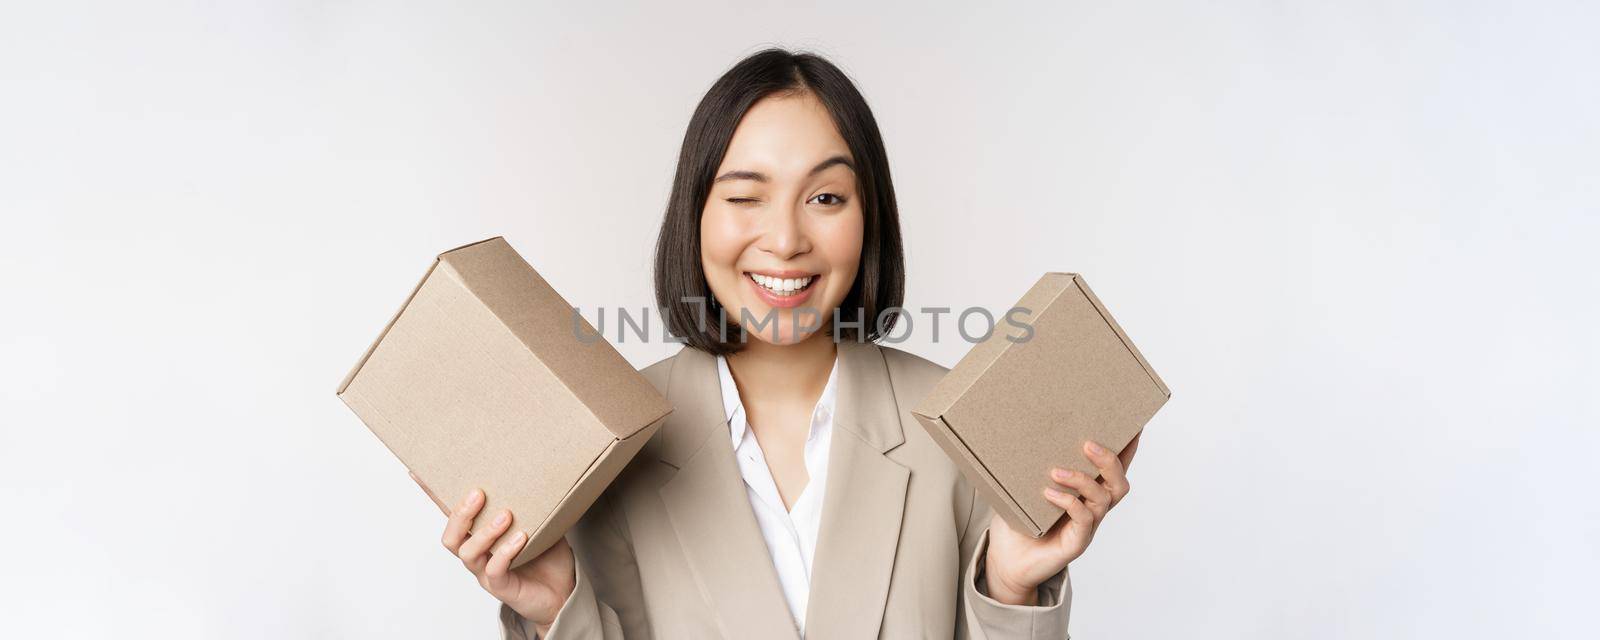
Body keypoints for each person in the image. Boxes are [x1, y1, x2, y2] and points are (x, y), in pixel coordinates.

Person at [431, 48, 1139, 639]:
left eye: (825, 197)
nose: (787, 239)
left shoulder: (959, 430)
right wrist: (558, 607)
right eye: (745, 196)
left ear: (870, 219)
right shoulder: (606, 445)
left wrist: (1011, 590)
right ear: (696, 215)